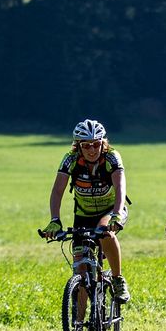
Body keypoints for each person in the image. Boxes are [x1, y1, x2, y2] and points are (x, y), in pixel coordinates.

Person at [41, 119, 130, 305]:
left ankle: (117, 279)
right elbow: (57, 190)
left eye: (96, 144)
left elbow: (120, 186)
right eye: (86, 145)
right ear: (78, 146)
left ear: (103, 143)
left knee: (105, 232)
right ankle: (79, 327)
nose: (92, 150)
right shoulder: (70, 159)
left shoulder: (112, 157)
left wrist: (116, 215)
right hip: (83, 215)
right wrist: (55, 219)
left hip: (111, 210)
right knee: (81, 272)